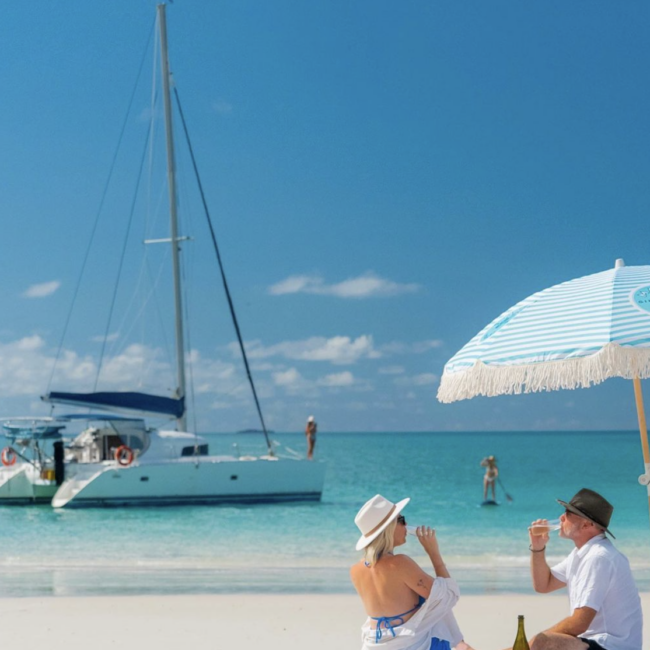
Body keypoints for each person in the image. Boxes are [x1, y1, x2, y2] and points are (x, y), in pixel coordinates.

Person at [350, 494, 474, 650]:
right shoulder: (399, 563)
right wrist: (433, 552)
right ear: (388, 529)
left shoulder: (355, 570)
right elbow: (449, 595)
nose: (406, 524)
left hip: (373, 645)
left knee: (431, 603)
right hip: (410, 646)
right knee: (438, 603)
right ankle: (461, 644)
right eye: (401, 520)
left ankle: (461, 644)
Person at [524, 488, 642, 650]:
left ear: (587, 524)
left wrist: (529, 645)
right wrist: (538, 548)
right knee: (542, 642)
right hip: (593, 643)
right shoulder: (581, 554)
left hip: (611, 646)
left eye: (567, 513)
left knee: (544, 642)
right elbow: (543, 585)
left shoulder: (599, 557)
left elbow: (579, 623)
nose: (561, 517)